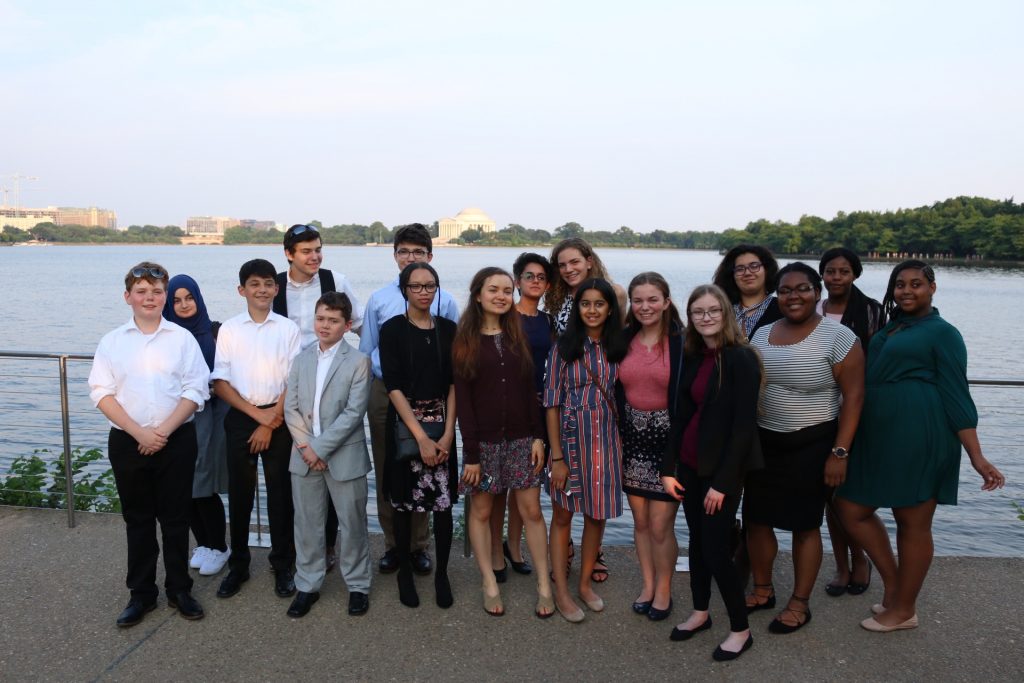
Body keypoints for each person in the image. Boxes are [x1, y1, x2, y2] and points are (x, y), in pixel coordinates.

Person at [836, 260, 1005, 632]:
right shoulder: (894, 326)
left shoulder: (943, 333)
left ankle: (904, 610)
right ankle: (897, 588)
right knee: (849, 506)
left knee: (911, 521)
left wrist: (976, 455)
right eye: (900, 285)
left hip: (920, 433)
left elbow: (957, 394)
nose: (907, 291)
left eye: (916, 284)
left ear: (932, 288)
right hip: (879, 435)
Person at [744, 262, 864, 634]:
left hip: (812, 443)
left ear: (817, 292)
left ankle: (800, 603)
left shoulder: (838, 337)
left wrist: (839, 452)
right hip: (765, 442)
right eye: (784, 291)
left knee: (804, 525)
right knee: (757, 519)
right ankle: (763, 590)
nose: (793, 296)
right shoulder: (761, 334)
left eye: (802, 289)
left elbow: (855, 398)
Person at [89, 262, 209, 627]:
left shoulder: (182, 339)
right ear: (128, 297)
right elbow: (101, 392)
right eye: (141, 291)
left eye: (157, 292)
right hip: (128, 442)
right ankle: (141, 595)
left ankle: (179, 590)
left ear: (165, 297)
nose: (150, 298)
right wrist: (140, 433)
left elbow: (196, 388)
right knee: (138, 520)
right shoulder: (111, 341)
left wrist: (163, 432)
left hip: (177, 440)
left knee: (176, 519)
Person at [660, 284, 763, 661]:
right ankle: (700, 612)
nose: (705, 317)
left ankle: (740, 629)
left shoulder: (741, 359)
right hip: (689, 464)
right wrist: (668, 467)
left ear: (725, 314)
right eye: (697, 311)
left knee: (718, 551)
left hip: (722, 472)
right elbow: (681, 416)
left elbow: (742, 428)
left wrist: (722, 483)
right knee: (699, 546)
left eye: (712, 311)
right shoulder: (693, 354)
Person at [360, 224, 459, 576]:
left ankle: (418, 546)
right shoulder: (379, 300)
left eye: (418, 252)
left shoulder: (444, 300)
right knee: (391, 467)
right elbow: (366, 351)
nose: (411, 258)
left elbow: (451, 353)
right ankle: (392, 544)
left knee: (429, 465)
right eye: (404, 251)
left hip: (431, 396)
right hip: (386, 391)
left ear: (430, 257)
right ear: (395, 255)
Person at [454, 267, 553, 617]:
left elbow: (529, 391)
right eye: (493, 289)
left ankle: (544, 583)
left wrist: (539, 437)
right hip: (484, 445)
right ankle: (489, 582)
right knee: (481, 511)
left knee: (532, 512)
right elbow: (464, 404)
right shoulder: (464, 341)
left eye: (506, 290)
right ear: (478, 293)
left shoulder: (517, 336)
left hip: (523, 440)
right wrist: (471, 454)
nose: (501, 295)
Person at [274, 223, 364, 573]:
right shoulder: (276, 285)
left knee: (331, 478)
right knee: (294, 485)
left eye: (318, 249)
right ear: (289, 255)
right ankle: (291, 559)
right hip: (289, 392)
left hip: (330, 388)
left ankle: (328, 552)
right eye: (306, 251)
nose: (314, 257)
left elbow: (357, 326)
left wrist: (361, 371)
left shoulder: (336, 281)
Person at [212, 259, 301, 600]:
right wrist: (256, 416)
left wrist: (271, 418)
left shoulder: (287, 329)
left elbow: (294, 380)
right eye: (254, 284)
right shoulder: (231, 330)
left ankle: (282, 565)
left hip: (279, 418)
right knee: (240, 494)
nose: (262, 290)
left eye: (267, 283)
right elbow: (219, 381)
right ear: (241, 290)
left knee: (282, 495)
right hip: (242, 417)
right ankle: (239, 566)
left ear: (276, 289)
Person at [284, 292, 373, 618]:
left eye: (333, 320)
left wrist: (319, 449)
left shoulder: (358, 362)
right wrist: (307, 448)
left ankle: (358, 585)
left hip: (343, 458)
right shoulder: (301, 359)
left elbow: (353, 413)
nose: (325, 325)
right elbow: (290, 408)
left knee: (352, 524)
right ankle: (307, 584)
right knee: (307, 525)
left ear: (347, 325)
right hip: (303, 456)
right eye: (321, 318)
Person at [544, 278, 627, 622]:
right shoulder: (564, 348)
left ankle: (584, 584)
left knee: (597, 516)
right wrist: (557, 457)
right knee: (563, 516)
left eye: (599, 304)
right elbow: (551, 403)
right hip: (571, 442)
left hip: (607, 443)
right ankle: (560, 590)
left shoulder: (619, 346)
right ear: (577, 309)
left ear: (610, 308)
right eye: (585, 304)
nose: (592, 310)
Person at [379, 262, 458, 609]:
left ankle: (442, 574)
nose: (424, 292)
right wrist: (420, 438)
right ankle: (404, 573)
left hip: (442, 421)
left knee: (442, 504)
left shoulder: (450, 329)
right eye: (416, 286)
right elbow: (392, 386)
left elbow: (455, 384)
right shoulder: (392, 329)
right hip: (405, 423)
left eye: (430, 286)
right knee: (402, 500)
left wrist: (448, 434)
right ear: (404, 290)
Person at [615, 272, 685, 622]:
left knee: (661, 526)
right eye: (638, 300)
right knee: (640, 523)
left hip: (668, 444)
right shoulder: (623, 339)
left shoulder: (682, 343)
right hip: (632, 441)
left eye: (652, 299)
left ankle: (664, 589)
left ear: (667, 302)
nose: (645, 306)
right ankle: (647, 584)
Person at [816, 247, 886, 598]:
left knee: (848, 496)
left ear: (855, 274)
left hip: (854, 413)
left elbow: (876, 363)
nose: (837, 277)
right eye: (830, 271)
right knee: (829, 497)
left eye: (844, 271)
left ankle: (861, 560)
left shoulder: (871, 311)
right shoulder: (815, 308)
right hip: (818, 413)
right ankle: (842, 566)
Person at [487, 252, 554, 581]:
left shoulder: (547, 322)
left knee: (526, 484)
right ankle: (496, 551)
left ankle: (515, 546)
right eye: (529, 276)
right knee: (500, 485)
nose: (535, 282)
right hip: (506, 408)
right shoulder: (504, 317)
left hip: (539, 409)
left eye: (541, 277)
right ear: (517, 281)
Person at [163, 274, 231, 577]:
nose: (184, 305)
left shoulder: (215, 333)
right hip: (176, 416)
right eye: (176, 300)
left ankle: (219, 546)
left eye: (189, 298)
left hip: (211, 417)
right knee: (182, 484)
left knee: (203, 483)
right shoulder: (165, 336)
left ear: (198, 299)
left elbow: (227, 375)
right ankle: (203, 543)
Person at [546, 238, 627, 335]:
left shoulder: (614, 292)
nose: (568, 269)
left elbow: (622, 333)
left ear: (589, 262)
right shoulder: (557, 295)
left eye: (574, 262)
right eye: (562, 265)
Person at [712, 244, 783, 341]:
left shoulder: (783, 309)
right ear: (732, 275)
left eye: (754, 266)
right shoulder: (722, 311)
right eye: (740, 269)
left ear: (766, 270)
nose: (747, 273)